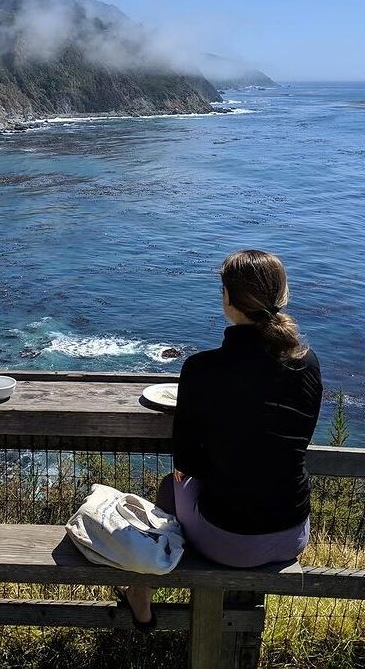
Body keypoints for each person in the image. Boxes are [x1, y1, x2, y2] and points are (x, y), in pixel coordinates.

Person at [119, 249, 323, 629]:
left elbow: (185, 461)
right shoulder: (306, 362)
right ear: (282, 295)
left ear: (228, 297)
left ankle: (141, 593)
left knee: (169, 487)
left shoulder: (202, 368)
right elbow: (300, 437)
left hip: (230, 542)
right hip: (292, 532)